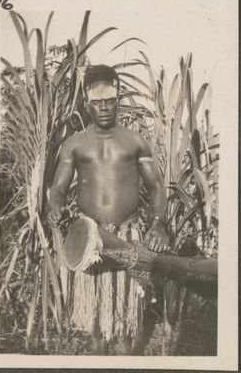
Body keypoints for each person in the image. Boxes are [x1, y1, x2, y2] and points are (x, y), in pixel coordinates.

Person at [48, 65, 168, 355]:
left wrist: (160, 222)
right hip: (91, 237)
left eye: (109, 101)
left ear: (117, 99)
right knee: (96, 329)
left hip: (128, 234)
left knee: (124, 330)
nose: (103, 108)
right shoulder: (74, 144)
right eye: (97, 102)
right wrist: (57, 208)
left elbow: (157, 187)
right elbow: (58, 190)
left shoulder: (135, 141)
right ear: (87, 103)